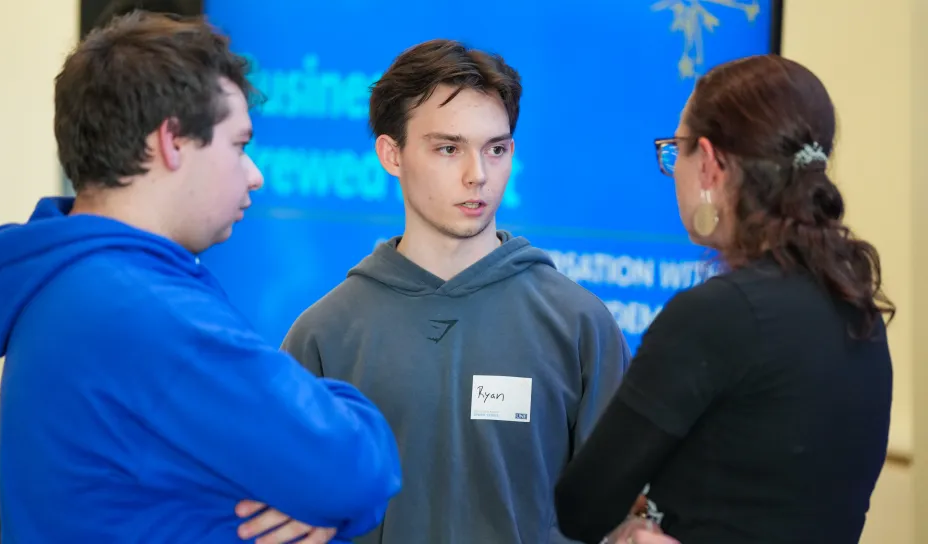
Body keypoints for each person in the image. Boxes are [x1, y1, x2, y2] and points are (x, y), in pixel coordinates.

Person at [0, 12, 401, 543]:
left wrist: (313, 488)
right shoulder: (146, 312)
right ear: (171, 141)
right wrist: (336, 434)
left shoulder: (67, 281)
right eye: (238, 146)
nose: (254, 175)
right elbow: (356, 469)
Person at [265, 39, 631, 544]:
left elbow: (619, 518)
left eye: (495, 149)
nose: (477, 175)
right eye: (448, 148)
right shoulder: (324, 334)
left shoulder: (579, 326)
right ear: (392, 154)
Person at [553, 54, 894, 544]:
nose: (674, 170)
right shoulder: (858, 312)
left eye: (677, 151)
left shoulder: (716, 315)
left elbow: (582, 506)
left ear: (710, 164)